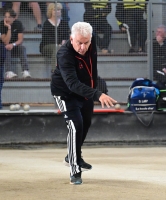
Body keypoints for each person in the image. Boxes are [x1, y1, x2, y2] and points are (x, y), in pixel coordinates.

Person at [51, 22, 117, 185]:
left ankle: (73, 155)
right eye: (79, 42)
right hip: (65, 93)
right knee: (76, 126)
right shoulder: (64, 54)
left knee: (86, 123)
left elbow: (92, 68)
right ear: (71, 38)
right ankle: (75, 169)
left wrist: (95, 89)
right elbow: (72, 84)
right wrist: (97, 94)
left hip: (85, 91)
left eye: (86, 42)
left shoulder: (90, 42)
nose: (83, 47)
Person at [0, 9, 31, 79]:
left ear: (14, 18)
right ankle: (8, 72)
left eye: (9, 17)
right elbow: (5, 41)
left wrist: (13, 45)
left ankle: (25, 71)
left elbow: (20, 39)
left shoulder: (18, 24)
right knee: (6, 48)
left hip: (14, 47)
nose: (7, 19)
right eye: (5, 17)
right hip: (2, 49)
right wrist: (9, 28)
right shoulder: (0, 25)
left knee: (22, 48)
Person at [40, 3, 70, 72]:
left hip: (61, 46)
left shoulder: (64, 23)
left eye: (59, 10)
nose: (57, 11)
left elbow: (66, 36)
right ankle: (55, 70)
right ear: (50, 11)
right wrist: (58, 43)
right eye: (55, 10)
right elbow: (46, 38)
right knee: (57, 48)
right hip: (47, 46)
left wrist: (64, 41)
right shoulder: (46, 23)